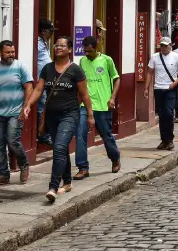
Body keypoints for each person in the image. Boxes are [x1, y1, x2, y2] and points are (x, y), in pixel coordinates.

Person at [25, 36, 92, 203]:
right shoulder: (47, 69)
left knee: (60, 147)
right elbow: (39, 89)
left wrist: (90, 115)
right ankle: (67, 182)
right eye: (57, 45)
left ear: (70, 50)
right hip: (51, 116)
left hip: (70, 114)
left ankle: (53, 186)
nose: (59, 47)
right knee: (59, 148)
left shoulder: (75, 70)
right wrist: (28, 105)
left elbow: (84, 94)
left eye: (63, 45)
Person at [0, 40, 33, 186]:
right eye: (8, 52)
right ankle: (3, 175)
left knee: (12, 140)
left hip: (15, 113)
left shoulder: (20, 67)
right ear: (0, 53)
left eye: (13, 52)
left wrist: (25, 107)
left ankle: (24, 165)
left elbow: (29, 87)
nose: (11, 54)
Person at [74, 36, 121, 180]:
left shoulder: (107, 60)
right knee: (80, 135)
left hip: (103, 105)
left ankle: (115, 158)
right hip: (85, 105)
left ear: (96, 48)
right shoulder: (82, 61)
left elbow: (116, 78)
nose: (86, 54)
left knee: (106, 135)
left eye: (89, 51)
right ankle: (83, 168)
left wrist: (112, 98)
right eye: (85, 51)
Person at [144, 37, 178, 151]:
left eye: (165, 45)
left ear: (170, 46)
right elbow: (149, 73)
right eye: (161, 46)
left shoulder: (176, 57)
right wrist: (146, 88)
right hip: (158, 89)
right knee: (162, 115)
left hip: (170, 89)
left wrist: (175, 83)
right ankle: (164, 140)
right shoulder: (155, 57)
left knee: (169, 113)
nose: (163, 48)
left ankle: (170, 139)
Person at [35, 19, 55, 146]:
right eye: (50, 32)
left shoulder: (44, 42)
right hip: (40, 82)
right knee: (42, 107)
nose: (52, 35)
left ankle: (46, 133)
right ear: (43, 32)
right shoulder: (37, 43)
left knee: (47, 106)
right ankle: (42, 134)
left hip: (47, 81)